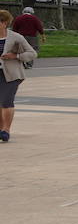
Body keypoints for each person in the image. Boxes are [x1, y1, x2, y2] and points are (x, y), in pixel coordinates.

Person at [1, 10, 38, 142]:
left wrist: (16, 56)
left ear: (4, 23)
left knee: (6, 101)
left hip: (11, 74)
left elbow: (32, 54)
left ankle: (6, 130)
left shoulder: (16, 37)